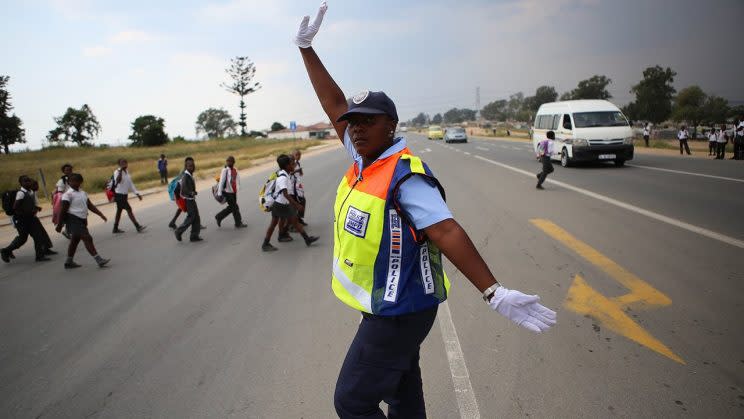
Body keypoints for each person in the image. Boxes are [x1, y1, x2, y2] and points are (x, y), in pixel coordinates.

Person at [295, 3, 556, 418]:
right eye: (353, 122)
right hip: (392, 305)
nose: (357, 127)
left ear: (391, 126)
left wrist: (494, 292)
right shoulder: (365, 158)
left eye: (368, 121)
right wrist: (307, 49)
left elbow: (447, 230)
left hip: (398, 312)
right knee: (402, 392)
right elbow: (333, 103)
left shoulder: (405, 175)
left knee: (353, 400)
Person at [261, 154, 318, 251]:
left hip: (282, 204)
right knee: (280, 223)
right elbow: (286, 194)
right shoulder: (283, 178)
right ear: (287, 166)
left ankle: (306, 239)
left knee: (291, 222)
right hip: (281, 205)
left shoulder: (285, 174)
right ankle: (266, 244)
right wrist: (297, 205)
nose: (293, 166)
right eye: (292, 164)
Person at [55, 173, 110, 269]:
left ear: (81, 182)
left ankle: (69, 261)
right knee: (87, 238)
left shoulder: (83, 193)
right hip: (72, 219)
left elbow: (89, 205)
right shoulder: (67, 195)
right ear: (68, 182)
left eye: (77, 181)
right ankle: (98, 259)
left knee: (75, 240)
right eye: (72, 181)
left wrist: (100, 214)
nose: (75, 182)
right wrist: (60, 225)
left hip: (82, 219)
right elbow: (63, 211)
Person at [1, 176, 52, 263]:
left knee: (37, 236)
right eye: (25, 181)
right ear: (21, 183)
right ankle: (5, 250)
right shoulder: (21, 193)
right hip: (22, 220)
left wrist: (35, 208)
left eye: (28, 181)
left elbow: (25, 205)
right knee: (22, 238)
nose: (28, 183)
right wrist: (25, 214)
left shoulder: (28, 192)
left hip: (29, 219)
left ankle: (39, 256)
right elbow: (15, 207)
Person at [112, 159, 146, 233]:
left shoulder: (127, 172)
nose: (125, 164)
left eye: (126, 162)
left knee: (119, 211)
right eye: (122, 163)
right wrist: (120, 171)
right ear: (119, 164)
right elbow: (118, 181)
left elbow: (130, 184)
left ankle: (115, 228)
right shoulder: (117, 172)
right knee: (129, 210)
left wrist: (137, 193)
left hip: (124, 195)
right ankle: (137, 226)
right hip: (119, 195)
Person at [174, 157, 203, 242]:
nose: (192, 167)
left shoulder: (189, 175)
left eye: (193, 165)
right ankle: (178, 231)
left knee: (196, 218)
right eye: (190, 166)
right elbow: (184, 189)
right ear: (186, 166)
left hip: (190, 199)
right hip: (188, 200)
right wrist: (191, 193)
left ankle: (194, 236)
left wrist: (193, 192)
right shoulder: (185, 176)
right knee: (191, 217)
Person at [215, 156, 247, 229]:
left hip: (233, 192)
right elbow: (222, 181)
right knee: (235, 207)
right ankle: (238, 223)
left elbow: (237, 179)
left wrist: (238, 187)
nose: (228, 163)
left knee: (233, 207)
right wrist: (219, 193)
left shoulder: (235, 170)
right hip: (227, 192)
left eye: (230, 161)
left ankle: (219, 217)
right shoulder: (225, 170)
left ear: (233, 162)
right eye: (227, 161)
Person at [30, 180, 56, 254]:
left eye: (37, 185)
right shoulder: (30, 194)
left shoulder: (33, 193)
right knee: (37, 235)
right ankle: (7, 250)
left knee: (42, 234)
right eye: (35, 185)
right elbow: (29, 205)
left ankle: (46, 249)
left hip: (34, 217)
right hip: (31, 218)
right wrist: (36, 208)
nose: (37, 187)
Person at [292, 149, 308, 226]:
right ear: (293, 155)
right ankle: (295, 222)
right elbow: (290, 173)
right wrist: (297, 170)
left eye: (299, 155)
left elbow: (300, 174)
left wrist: (300, 171)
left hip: (298, 186)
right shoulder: (292, 163)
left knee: (302, 202)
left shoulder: (297, 163)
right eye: (297, 155)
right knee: (299, 203)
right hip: (293, 187)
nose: (298, 157)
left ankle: (299, 219)